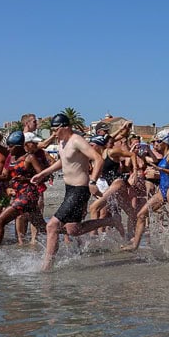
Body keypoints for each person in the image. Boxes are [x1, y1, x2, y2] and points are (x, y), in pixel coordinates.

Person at [32, 113, 116, 270]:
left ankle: (46, 267)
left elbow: (98, 159)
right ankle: (111, 221)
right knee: (73, 230)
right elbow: (62, 161)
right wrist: (43, 173)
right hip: (69, 189)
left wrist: (92, 181)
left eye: (55, 130)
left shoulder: (77, 140)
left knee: (52, 226)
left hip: (80, 189)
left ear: (65, 127)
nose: (53, 133)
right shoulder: (62, 142)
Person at [0, 131, 47, 259]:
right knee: (44, 229)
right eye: (8, 146)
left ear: (20, 146)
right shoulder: (11, 158)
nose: (8, 149)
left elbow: (43, 176)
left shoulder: (29, 158)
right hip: (19, 195)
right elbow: (5, 177)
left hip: (28, 195)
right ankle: (72, 234)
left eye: (11, 146)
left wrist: (27, 179)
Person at [122, 130, 169, 252]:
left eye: (158, 141)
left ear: (165, 142)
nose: (156, 144)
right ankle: (135, 245)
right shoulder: (163, 156)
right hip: (162, 191)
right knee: (141, 215)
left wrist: (159, 169)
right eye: (154, 142)